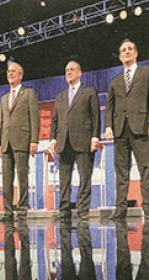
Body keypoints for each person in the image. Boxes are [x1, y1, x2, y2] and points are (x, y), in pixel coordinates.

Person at [105, 39, 149, 220]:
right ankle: (120, 209)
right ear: (120, 57)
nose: (127, 52)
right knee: (121, 172)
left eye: (130, 49)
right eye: (123, 50)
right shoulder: (115, 81)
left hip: (142, 127)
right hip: (120, 130)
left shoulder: (148, 72)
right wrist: (108, 126)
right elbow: (110, 107)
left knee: (145, 169)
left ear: (136, 53)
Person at [50, 61, 100, 221]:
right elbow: (55, 120)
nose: (69, 72)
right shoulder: (60, 96)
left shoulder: (89, 92)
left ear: (80, 73)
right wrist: (52, 140)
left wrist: (94, 137)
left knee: (85, 177)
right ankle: (64, 211)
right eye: (66, 70)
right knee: (64, 180)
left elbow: (95, 117)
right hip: (64, 142)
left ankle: (82, 210)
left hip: (84, 141)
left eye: (72, 70)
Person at [0, 62, 40, 222]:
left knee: (22, 178)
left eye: (14, 71)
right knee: (6, 179)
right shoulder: (4, 98)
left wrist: (34, 140)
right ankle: (7, 212)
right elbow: (1, 122)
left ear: (21, 75)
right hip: (6, 142)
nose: (10, 74)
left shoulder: (28, 93)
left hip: (22, 141)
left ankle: (21, 211)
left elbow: (34, 118)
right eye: (9, 71)